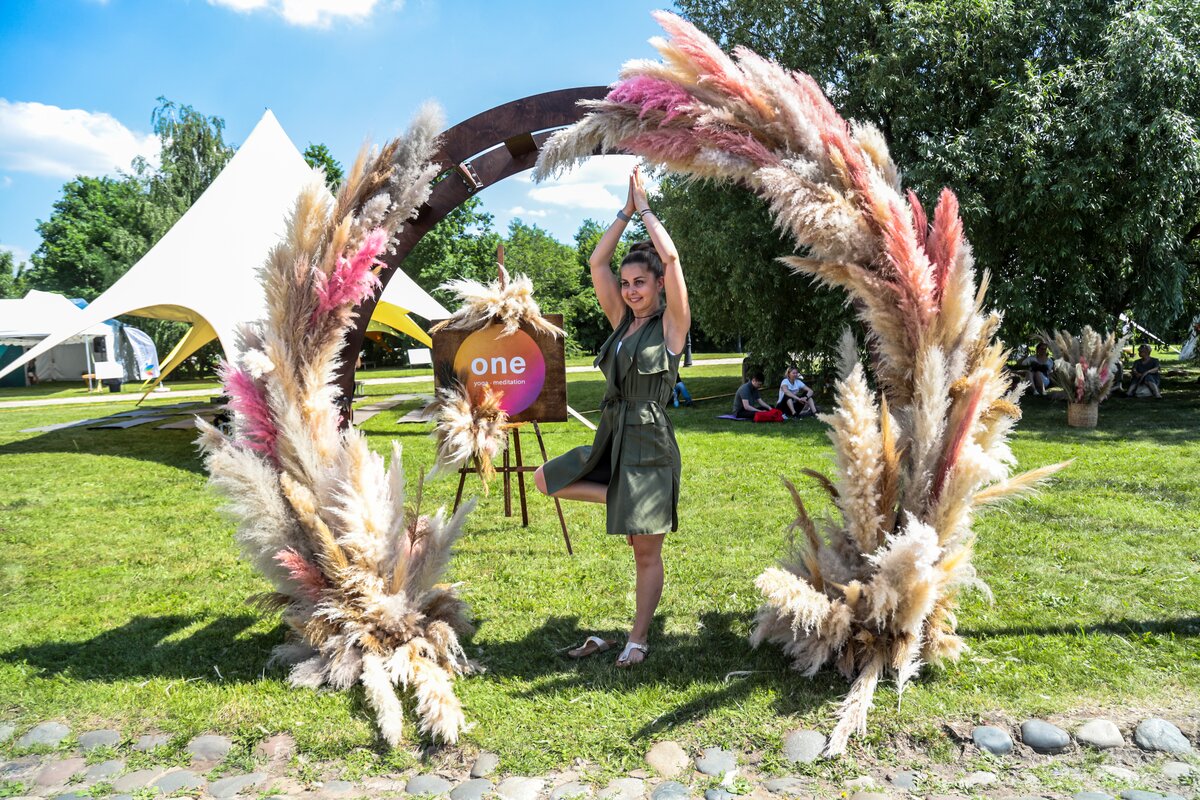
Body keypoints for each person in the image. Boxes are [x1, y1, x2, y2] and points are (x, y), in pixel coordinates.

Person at [534, 165, 690, 668]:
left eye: (639, 283)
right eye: (625, 284)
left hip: (648, 445)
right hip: (611, 435)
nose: (629, 290)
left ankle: (638, 638)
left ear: (659, 284)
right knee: (546, 479)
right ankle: (625, 503)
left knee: (645, 553)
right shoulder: (621, 322)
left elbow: (670, 255)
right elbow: (597, 262)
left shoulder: (672, 323)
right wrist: (623, 213)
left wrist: (645, 208)